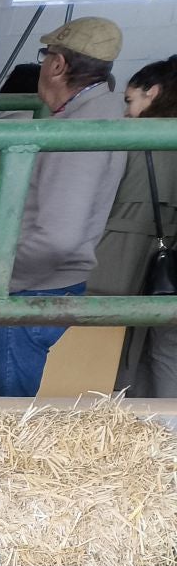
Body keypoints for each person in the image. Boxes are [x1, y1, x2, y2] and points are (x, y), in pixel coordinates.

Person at [0, 18, 127, 398]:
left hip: (23, 293)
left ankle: (6, 460)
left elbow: (59, 237)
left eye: (45, 56)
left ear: (58, 66)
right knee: (5, 403)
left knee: (6, 411)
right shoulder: (90, 116)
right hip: (32, 286)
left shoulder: (79, 129)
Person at [89, 56, 177, 396]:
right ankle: (166, 431)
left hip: (117, 248)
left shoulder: (129, 136)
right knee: (164, 347)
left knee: (108, 338)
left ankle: (108, 419)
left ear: (152, 92)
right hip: (170, 251)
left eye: (130, 100)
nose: (126, 110)